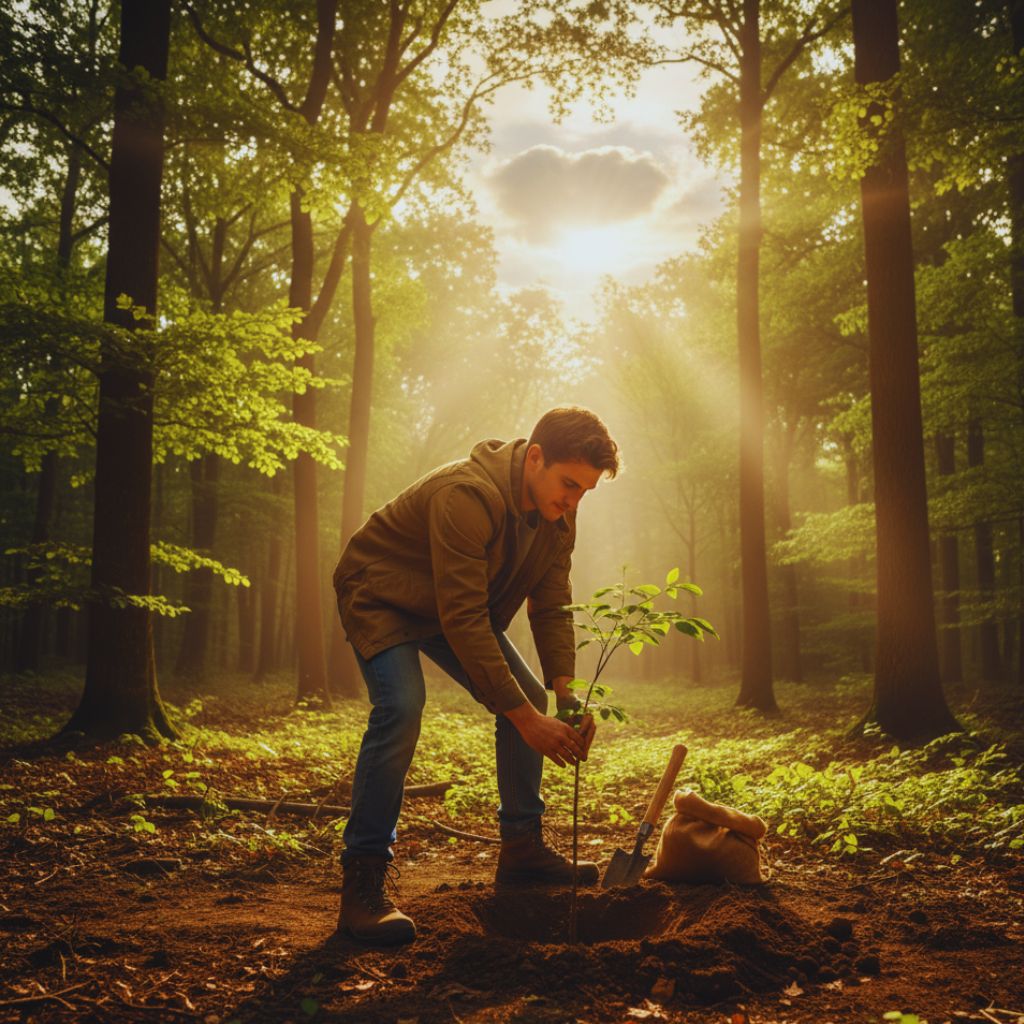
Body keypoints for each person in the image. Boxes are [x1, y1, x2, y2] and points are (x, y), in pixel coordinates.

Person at [332, 406, 620, 945]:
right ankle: (361, 890)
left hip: (450, 605)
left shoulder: (559, 512)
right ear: (535, 457)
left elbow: (552, 604)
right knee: (401, 706)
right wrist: (526, 721)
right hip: (382, 594)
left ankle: (522, 851)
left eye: (584, 491)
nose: (573, 500)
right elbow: (464, 618)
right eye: (568, 485)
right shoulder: (465, 496)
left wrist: (566, 696)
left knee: (532, 694)